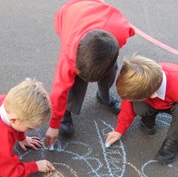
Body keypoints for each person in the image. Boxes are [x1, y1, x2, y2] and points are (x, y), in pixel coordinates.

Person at [45, 0, 135, 146]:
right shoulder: (69, 54)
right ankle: (65, 112)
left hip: (103, 24)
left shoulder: (121, 33)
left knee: (111, 70)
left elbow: (108, 59)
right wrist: (54, 124)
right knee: (73, 82)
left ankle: (103, 96)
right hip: (71, 14)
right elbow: (58, 90)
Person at [105, 55, 178, 164]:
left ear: (153, 95)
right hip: (157, 100)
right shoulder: (141, 82)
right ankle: (148, 121)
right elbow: (128, 103)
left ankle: (170, 147)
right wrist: (119, 129)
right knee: (140, 106)